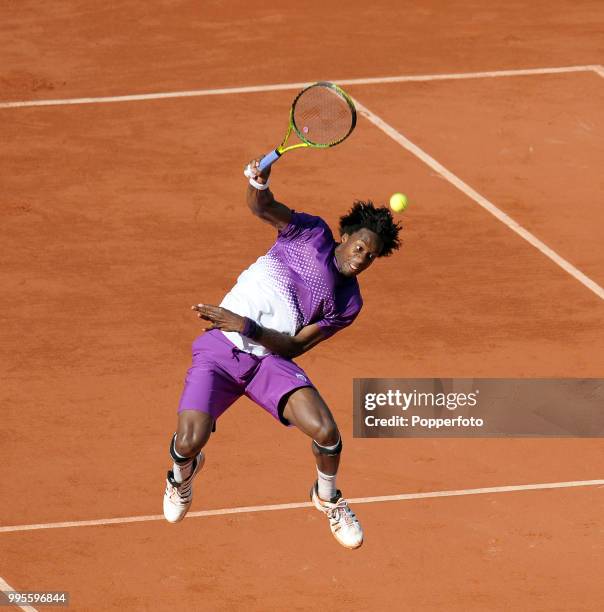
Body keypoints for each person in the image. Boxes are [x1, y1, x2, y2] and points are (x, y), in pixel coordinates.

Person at [163, 158, 401, 549]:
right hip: (221, 348)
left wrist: (247, 326)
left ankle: (327, 497)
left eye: (371, 257)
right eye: (360, 247)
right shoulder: (310, 234)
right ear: (343, 237)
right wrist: (259, 183)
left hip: (268, 360)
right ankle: (180, 476)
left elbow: (295, 346)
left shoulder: (349, 304)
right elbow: (262, 207)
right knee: (189, 440)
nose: (362, 259)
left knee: (327, 432)